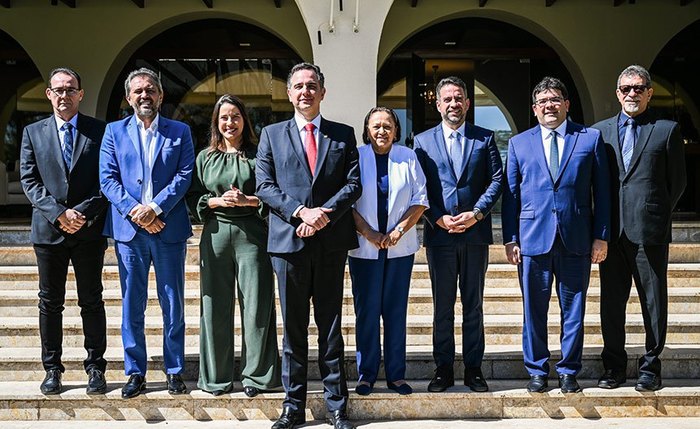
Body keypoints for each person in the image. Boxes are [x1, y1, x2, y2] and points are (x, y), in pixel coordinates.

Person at [255, 62, 361, 429]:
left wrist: (323, 216)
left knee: (331, 328)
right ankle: (293, 406)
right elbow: (264, 186)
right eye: (298, 86)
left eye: (312, 85)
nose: (305, 92)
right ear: (289, 93)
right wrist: (301, 213)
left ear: (322, 92)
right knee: (294, 330)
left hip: (330, 244)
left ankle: (336, 407)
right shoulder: (271, 134)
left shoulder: (343, 134)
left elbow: (353, 184)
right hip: (288, 244)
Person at [502, 76, 611, 393]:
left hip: (576, 237)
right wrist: (511, 239)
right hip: (533, 239)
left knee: (574, 309)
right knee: (533, 311)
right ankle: (537, 370)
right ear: (535, 109)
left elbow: (601, 193)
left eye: (554, 100)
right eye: (542, 101)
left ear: (566, 104)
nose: (549, 105)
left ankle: (568, 371)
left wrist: (601, 235)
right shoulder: (519, 143)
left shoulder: (589, 139)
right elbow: (511, 197)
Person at [99, 67, 195, 398]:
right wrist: (136, 212)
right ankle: (135, 372)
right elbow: (107, 179)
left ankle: (174, 370)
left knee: (173, 302)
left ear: (160, 95)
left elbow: (184, 176)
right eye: (138, 91)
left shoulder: (180, 131)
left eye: (150, 90)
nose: (145, 95)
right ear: (128, 98)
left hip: (168, 228)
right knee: (132, 304)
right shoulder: (113, 132)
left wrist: (154, 208)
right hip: (130, 232)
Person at [592, 65, 686, 392]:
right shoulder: (599, 132)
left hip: (650, 231)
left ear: (649, 92)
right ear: (617, 93)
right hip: (611, 233)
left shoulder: (666, 130)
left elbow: (678, 183)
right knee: (611, 304)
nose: (632, 93)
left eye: (639, 87)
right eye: (626, 88)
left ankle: (650, 367)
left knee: (653, 302)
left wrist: (654, 212)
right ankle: (614, 366)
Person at [20, 67, 108, 395]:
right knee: (49, 302)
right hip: (48, 231)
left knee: (92, 300)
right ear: (48, 94)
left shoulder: (100, 132)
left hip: (88, 231)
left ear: (81, 94)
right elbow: (29, 180)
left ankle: (96, 367)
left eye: (71, 89)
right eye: (58, 90)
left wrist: (82, 213)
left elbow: (106, 181)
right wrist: (58, 214)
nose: (64, 95)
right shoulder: (32, 133)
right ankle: (53, 368)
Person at [186, 94, 280, 397]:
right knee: (214, 307)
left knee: (256, 306)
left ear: (244, 120)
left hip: (252, 233)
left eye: (235, 116)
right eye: (224, 117)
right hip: (215, 233)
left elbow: (271, 193)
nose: (230, 122)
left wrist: (247, 200)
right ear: (217, 121)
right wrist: (214, 201)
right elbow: (192, 196)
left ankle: (257, 377)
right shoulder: (204, 157)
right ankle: (216, 378)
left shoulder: (259, 154)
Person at [413, 76, 502, 393]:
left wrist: (476, 214)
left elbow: (496, 181)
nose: (453, 104)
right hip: (440, 237)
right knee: (443, 307)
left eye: (459, 98)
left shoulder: (485, 138)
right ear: (437, 104)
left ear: (467, 103)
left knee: (473, 305)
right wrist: (437, 218)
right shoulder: (422, 142)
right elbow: (419, 186)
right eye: (447, 99)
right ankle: (443, 369)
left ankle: (474, 369)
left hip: (475, 236)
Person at [348, 107, 429, 396]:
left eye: (387, 126)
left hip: (399, 247)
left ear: (396, 130)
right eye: (376, 126)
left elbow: (420, 199)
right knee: (366, 312)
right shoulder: (356, 156)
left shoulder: (408, 157)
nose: (381, 131)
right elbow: (348, 202)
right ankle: (366, 374)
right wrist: (369, 233)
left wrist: (397, 231)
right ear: (367, 130)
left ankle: (396, 375)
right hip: (364, 248)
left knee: (395, 312)